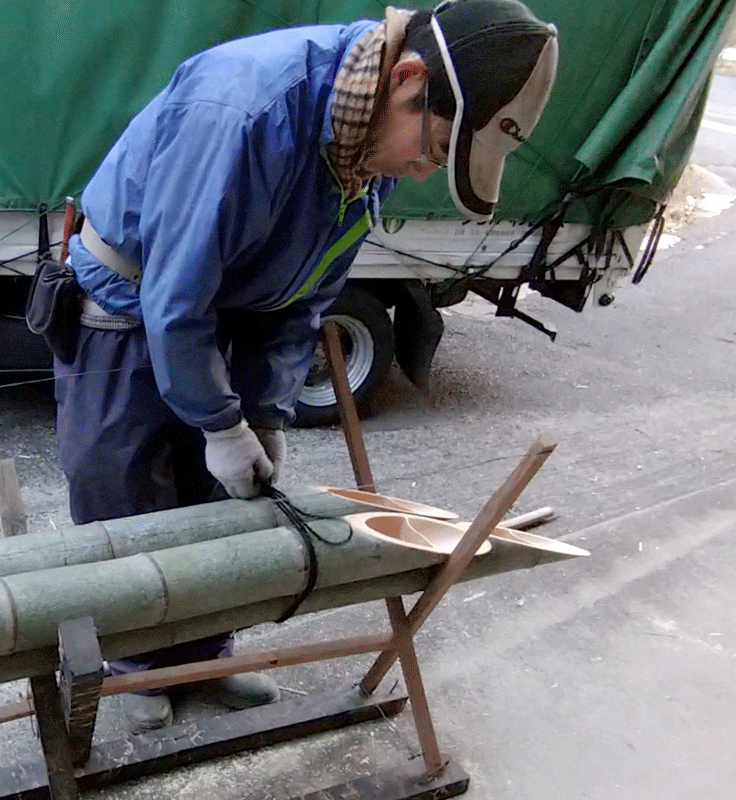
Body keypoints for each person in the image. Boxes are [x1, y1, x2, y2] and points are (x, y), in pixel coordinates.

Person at [54, 0, 558, 733]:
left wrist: (263, 413)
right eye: (434, 148)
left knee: (222, 505)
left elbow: (305, 297)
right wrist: (219, 423)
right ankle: (137, 666)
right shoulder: (245, 109)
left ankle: (207, 651)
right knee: (122, 485)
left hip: (233, 302)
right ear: (407, 79)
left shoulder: (364, 146)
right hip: (132, 298)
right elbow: (176, 295)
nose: (423, 169)